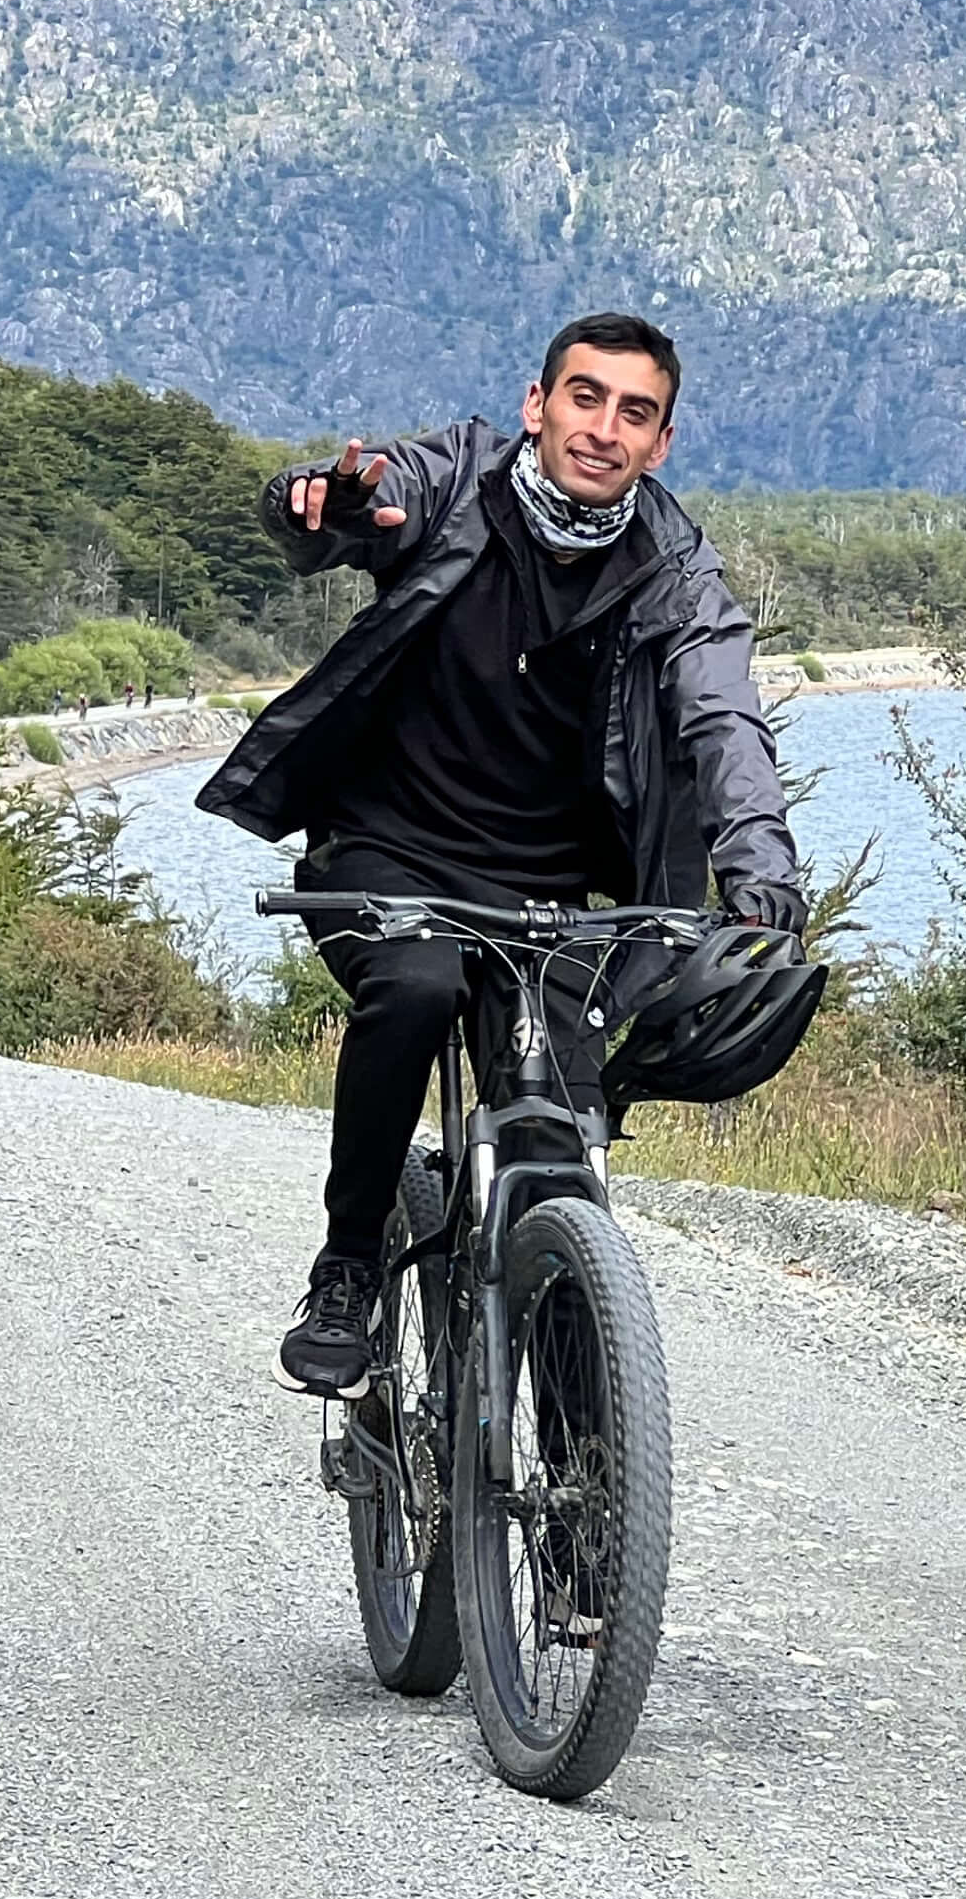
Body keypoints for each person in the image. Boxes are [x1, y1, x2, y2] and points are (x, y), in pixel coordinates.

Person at [198, 312, 806, 1394]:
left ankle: (590, 1472)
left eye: (635, 413)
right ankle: (347, 1269)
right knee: (420, 987)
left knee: (561, 1146)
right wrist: (323, 507)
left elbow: (725, 723)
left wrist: (762, 878)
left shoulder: (675, 569)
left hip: (553, 898)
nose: (604, 428)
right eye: (585, 397)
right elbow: (361, 508)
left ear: (660, 443)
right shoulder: (454, 481)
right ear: (539, 406)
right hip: (384, 853)